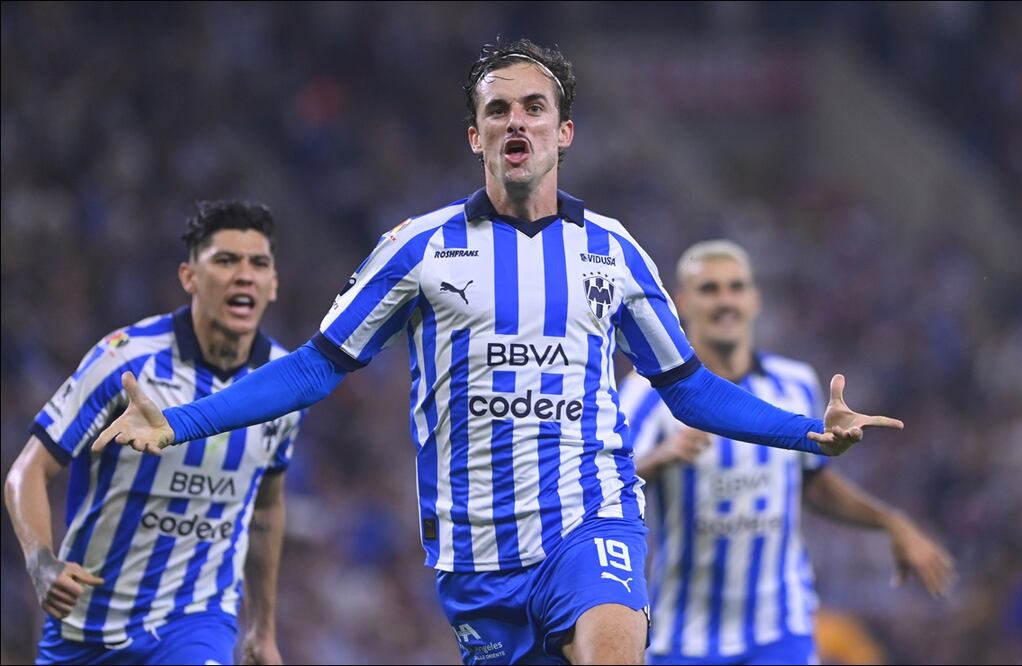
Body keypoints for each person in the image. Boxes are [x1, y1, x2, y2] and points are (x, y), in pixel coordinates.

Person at [90, 39, 903, 665]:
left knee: (613, 640)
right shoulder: (417, 251)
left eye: (535, 108)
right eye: (500, 110)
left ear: (564, 132)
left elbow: (688, 388)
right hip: (477, 558)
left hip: (591, 517)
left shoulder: (612, 252)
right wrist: (177, 423)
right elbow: (309, 369)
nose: (518, 122)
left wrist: (806, 433)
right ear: (474, 133)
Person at [620, 240, 955, 665]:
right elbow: (606, 482)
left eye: (736, 287)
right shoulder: (646, 394)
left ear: (754, 299)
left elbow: (811, 484)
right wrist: (659, 458)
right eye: (710, 289)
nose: (726, 301)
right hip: (686, 639)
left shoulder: (794, 384)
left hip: (780, 632)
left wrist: (891, 522)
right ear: (681, 303)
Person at [4, 201, 304, 665]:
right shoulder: (125, 360)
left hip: (197, 622)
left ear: (273, 284)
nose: (244, 275)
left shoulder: (282, 384)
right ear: (189, 277)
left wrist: (262, 631)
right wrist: (41, 562)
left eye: (258, 263)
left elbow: (267, 505)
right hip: (86, 626)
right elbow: (28, 471)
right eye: (225, 260)